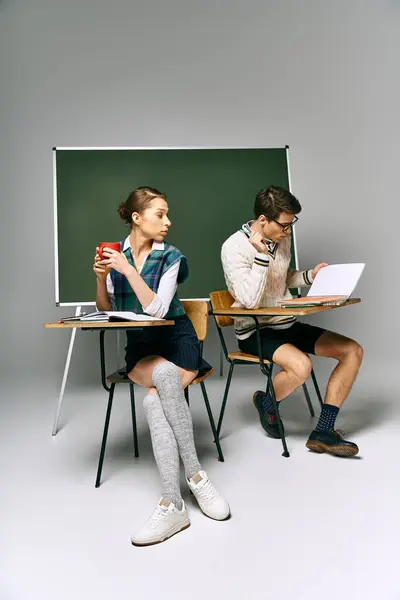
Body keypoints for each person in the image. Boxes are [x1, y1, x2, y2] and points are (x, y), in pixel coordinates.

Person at [94, 186, 230, 546]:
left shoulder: (171, 257)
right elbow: (106, 307)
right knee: (163, 380)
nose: (168, 222)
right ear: (137, 218)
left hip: (177, 339)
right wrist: (101, 277)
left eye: (167, 214)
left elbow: (156, 309)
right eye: (160, 214)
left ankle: (173, 503)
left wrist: (127, 269)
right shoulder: (116, 255)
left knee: (156, 396)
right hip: (141, 347)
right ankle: (198, 478)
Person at [221, 185, 363, 457]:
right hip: (256, 330)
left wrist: (310, 277)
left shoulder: (281, 239)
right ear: (263, 220)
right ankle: (266, 404)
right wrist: (261, 254)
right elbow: (250, 299)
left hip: (287, 324)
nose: (288, 231)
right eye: (284, 225)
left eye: (291, 225)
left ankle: (324, 431)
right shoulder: (233, 248)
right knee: (302, 366)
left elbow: (281, 279)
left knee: (352, 351)